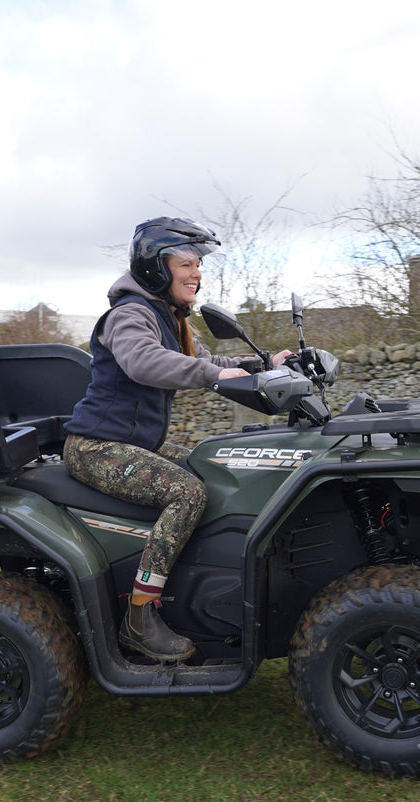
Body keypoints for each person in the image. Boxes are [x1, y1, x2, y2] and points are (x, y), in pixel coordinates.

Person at [64, 217, 291, 662]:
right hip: (95, 447)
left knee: (214, 467)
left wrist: (264, 365)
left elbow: (211, 359)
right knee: (186, 493)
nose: (196, 273)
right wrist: (213, 375)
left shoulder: (170, 318)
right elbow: (142, 362)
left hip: (134, 445)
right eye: (186, 262)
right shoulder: (129, 315)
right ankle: (140, 617)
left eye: (198, 264)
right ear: (156, 267)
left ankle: (197, 585)